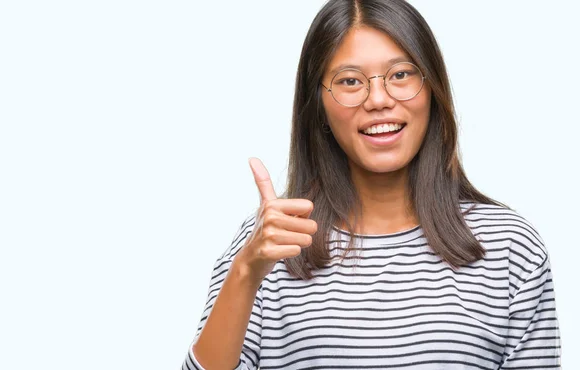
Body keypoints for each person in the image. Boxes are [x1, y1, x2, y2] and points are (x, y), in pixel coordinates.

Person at [182, 0, 561, 368]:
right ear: (320, 106)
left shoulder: (510, 247)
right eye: (350, 81)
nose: (378, 99)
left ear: (432, 88)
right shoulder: (269, 243)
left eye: (400, 74)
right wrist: (246, 271)